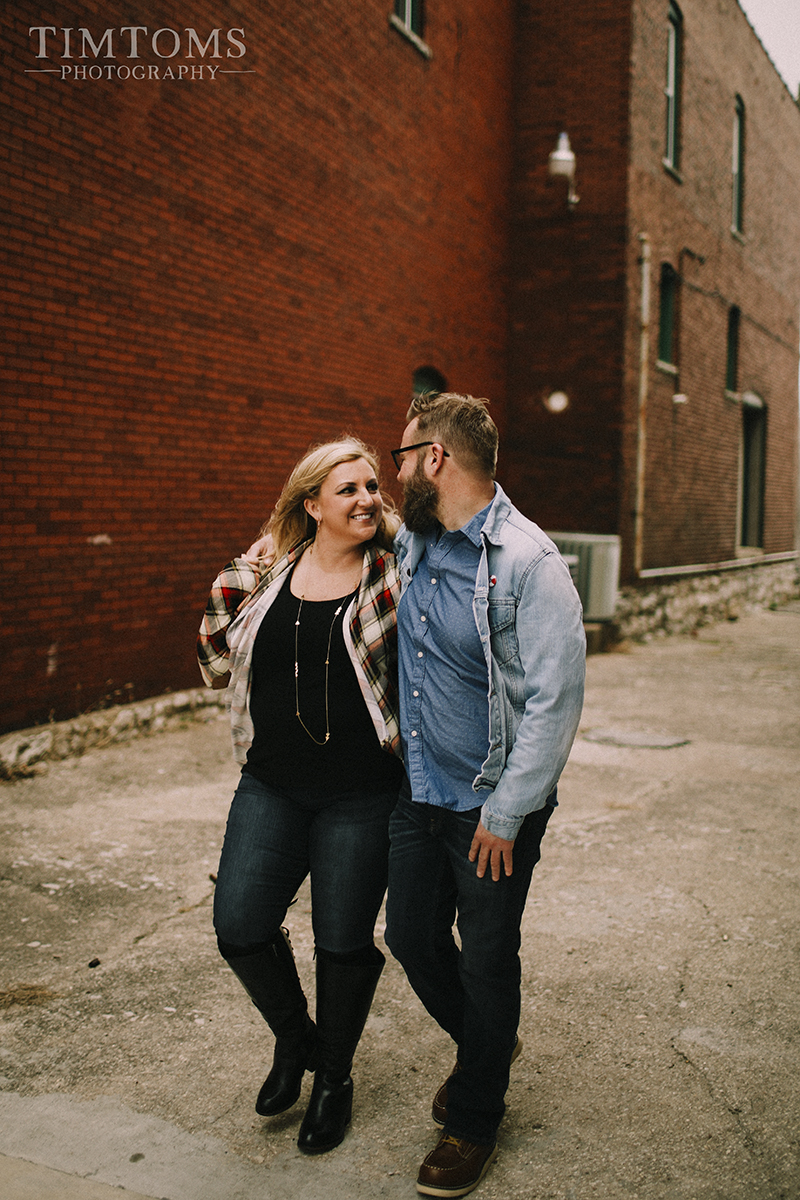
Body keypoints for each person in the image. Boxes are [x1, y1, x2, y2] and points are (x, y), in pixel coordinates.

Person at [384, 393, 586, 1197]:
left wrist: (506, 813)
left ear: (435, 459)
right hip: (419, 789)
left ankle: (473, 1117)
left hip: (490, 808)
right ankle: (487, 1048)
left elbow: (555, 701)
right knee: (412, 938)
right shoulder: (418, 544)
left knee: (489, 958)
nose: (395, 473)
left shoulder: (530, 564)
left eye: (401, 457)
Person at [197, 437, 404, 1155]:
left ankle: (334, 1079)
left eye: (373, 485)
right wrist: (240, 573)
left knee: (342, 944)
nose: (366, 498)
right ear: (311, 504)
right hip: (272, 784)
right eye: (347, 489)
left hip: (363, 793)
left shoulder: (394, 575)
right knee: (241, 924)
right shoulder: (269, 572)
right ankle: (297, 1040)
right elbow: (212, 656)